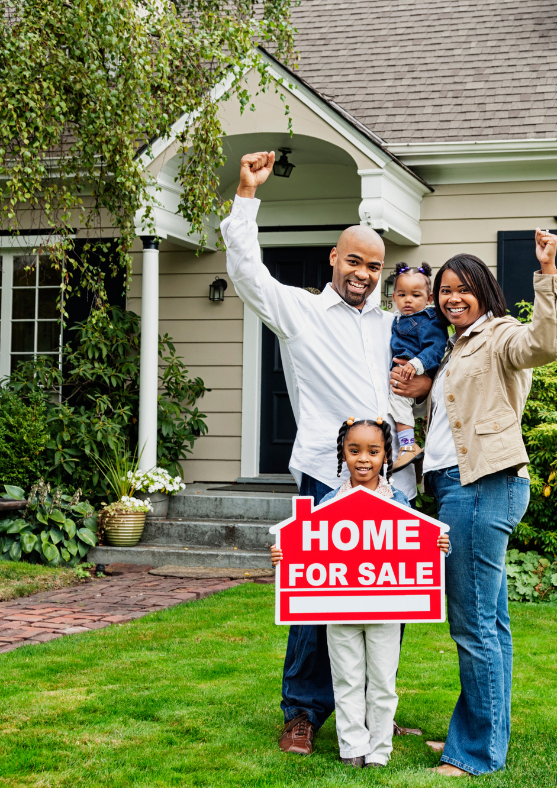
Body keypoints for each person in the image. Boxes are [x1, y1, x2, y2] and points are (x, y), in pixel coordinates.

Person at [221, 151, 433, 757]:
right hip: (326, 476)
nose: (364, 273)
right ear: (334, 259)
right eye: (355, 261)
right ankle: (302, 713)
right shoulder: (301, 312)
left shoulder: (393, 323)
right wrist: (246, 195)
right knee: (318, 603)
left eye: (375, 265)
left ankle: (370, 716)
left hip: (392, 481)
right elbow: (245, 273)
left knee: (386, 603)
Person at [423, 230, 557, 777]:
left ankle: (477, 752)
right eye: (445, 290)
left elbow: (544, 346)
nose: (453, 298)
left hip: (483, 484)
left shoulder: (501, 334)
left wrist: (547, 275)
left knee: (473, 624)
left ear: (484, 290)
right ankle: (483, 733)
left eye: (463, 289)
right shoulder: (456, 344)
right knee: (490, 623)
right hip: (456, 485)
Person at [270, 417, 450, 768]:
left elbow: (416, 545)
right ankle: (352, 747)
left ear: (386, 456)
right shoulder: (327, 505)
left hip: (386, 611)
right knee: (347, 679)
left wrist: (438, 546)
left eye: (373, 451)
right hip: (341, 610)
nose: (363, 459)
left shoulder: (398, 502)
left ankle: (379, 750)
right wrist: (285, 554)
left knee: (382, 682)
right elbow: (307, 545)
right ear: (343, 454)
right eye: (354, 451)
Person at [387, 262, 447, 470]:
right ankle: (407, 445)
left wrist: (416, 364)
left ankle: (407, 446)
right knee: (396, 402)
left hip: (416, 370)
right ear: (394, 297)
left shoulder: (428, 320)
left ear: (429, 299)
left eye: (416, 295)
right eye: (402, 295)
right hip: (404, 372)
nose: (408, 300)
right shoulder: (395, 319)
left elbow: (436, 347)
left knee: (398, 400)